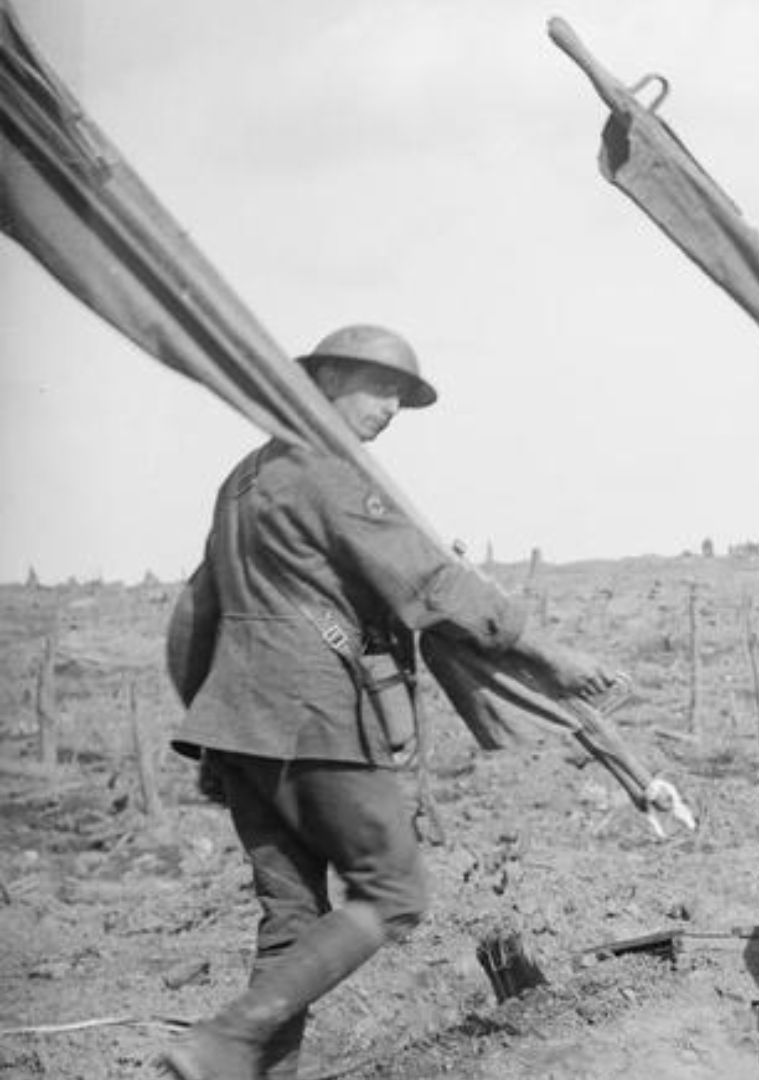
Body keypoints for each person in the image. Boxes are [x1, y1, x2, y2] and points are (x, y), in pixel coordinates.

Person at [160, 325, 621, 1080]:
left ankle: (240, 1059)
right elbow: (432, 584)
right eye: (379, 388)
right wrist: (553, 656)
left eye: (401, 397)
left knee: (291, 926)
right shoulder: (333, 469)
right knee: (396, 894)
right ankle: (226, 1039)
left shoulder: (243, 478)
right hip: (315, 721)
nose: (390, 409)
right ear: (328, 376)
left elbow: (193, 618)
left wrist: (210, 728)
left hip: (242, 727)